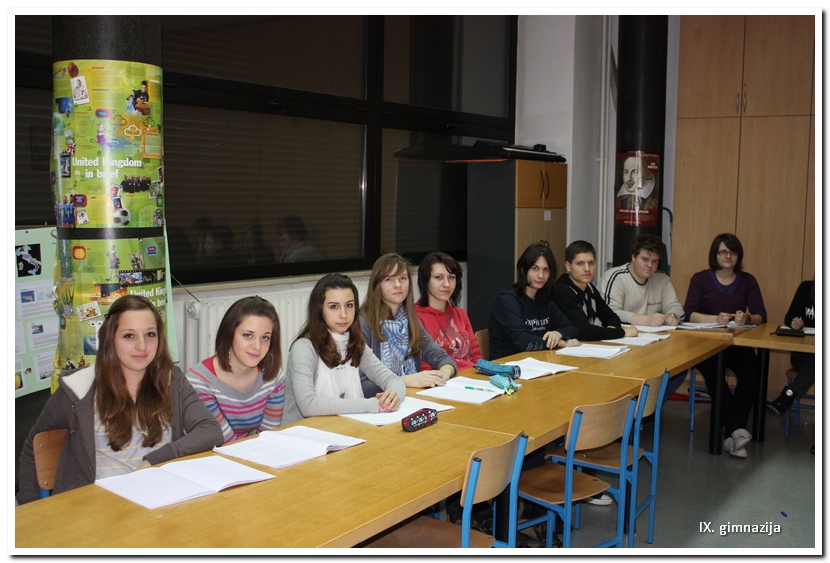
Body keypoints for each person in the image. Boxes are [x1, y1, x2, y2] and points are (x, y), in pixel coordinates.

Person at [17, 295, 223, 505]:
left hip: (158, 499)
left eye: (150, 334)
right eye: (129, 336)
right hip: (97, 507)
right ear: (110, 338)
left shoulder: (171, 380)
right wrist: (28, 512)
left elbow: (210, 430)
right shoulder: (78, 388)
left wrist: (155, 460)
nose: (142, 346)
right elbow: (32, 449)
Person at [684, 233, 767, 458]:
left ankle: (733, 433)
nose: (727, 256)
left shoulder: (748, 280)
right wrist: (715, 319)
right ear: (715, 254)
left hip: (736, 343)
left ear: (739, 255)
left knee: (752, 370)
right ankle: (736, 429)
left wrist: (746, 319)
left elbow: (761, 315)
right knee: (714, 372)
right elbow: (688, 314)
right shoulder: (700, 279)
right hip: (705, 344)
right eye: (723, 252)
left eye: (732, 252)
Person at [283, 273, 406, 423]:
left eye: (349, 305)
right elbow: (308, 405)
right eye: (334, 307)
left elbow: (392, 379)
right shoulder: (304, 348)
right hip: (301, 431)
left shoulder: (353, 343)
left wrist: (393, 396)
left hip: (341, 426)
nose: (344, 314)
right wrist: (371, 404)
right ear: (319, 310)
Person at [186, 296, 285, 444]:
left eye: (265, 338)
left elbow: (267, 437)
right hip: (207, 452)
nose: (257, 346)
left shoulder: (273, 377)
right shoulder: (200, 380)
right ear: (229, 334)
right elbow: (224, 441)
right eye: (248, 335)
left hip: (250, 450)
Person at [359, 253, 457, 397]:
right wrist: (404, 381)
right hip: (380, 403)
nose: (398, 285)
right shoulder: (363, 324)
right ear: (377, 284)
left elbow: (441, 357)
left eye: (403, 278)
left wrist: (443, 374)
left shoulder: (410, 319)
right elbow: (361, 386)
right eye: (389, 279)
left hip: (412, 398)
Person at [488, 240, 580, 361]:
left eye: (546, 270)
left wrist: (558, 334)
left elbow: (572, 328)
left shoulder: (544, 300)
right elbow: (522, 341)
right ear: (523, 270)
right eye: (535, 269)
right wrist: (558, 343)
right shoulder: (507, 300)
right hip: (507, 366)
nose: (541, 275)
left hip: (537, 362)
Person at [554, 240, 639, 341]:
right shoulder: (562, 291)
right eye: (580, 263)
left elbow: (611, 317)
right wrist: (621, 332)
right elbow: (584, 332)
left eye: (591, 263)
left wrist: (613, 329)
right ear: (568, 266)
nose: (587, 268)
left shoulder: (589, 287)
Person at [599, 234, 684, 328]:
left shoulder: (662, 279)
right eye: (645, 259)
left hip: (653, 334)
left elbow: (676, 307)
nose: (649, 265)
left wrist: (673, 316)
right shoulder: (615, 277)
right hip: (621, 334)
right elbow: (609, 313)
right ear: (634, 257)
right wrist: (646, 320)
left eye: (654, 261)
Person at [414, 252, 482, 370]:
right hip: (441, 378)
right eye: (439, 277)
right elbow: (422, 364)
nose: (447, 284)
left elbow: (475, 354)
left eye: (451, 277)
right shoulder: (414, 316)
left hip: (470, 376)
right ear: (425, 280)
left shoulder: (460, 313)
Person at [767, 280, 815, 422]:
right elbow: (790, 317)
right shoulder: (806, 288)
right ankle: (790, 394)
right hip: (803, 354)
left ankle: (789, 395)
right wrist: (795, 323)